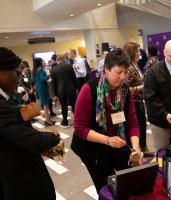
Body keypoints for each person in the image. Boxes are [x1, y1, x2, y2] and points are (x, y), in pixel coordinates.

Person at [0, 47, 60, 200]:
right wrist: (53, 137)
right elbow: (29, 139)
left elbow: (3, 131)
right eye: (17, 73)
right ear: (2, 71)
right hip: (12, 185)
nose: (19, 78)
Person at [70, 48, 142, 194]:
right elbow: (80, 128)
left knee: (126, 184)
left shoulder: (125, 90)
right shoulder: (89, 89)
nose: (123, 77)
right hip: (94, 148)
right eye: (118, 72)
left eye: (125, 72)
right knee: (107, 189)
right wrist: (108, 140)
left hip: (118, 141)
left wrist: (135, 148)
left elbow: (133, 122)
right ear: (106, 69)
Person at [123, 41, 151, 155]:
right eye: (138, 51)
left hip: (139, 101)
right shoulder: (129, 68)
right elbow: (126, 89)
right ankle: (139, 148)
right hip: (133, 102)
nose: (140, 53)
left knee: (142, 124)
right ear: (132, 52)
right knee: (138, 125)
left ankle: (143, 147)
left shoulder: (135, 65)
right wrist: (142, 87)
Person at [51, 54, 78, 128]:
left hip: (60, 90)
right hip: (71, 88)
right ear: (63, 60)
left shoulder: (53, 69)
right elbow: (74, 78)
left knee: (64, 107)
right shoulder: (69, 66)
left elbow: (54, 83)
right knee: (74, 105)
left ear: (57, 60)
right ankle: (77, 120)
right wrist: (77, 88)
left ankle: (65, 122)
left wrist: (56, 93)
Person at [32, 57, 55, 126]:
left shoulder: (35, 70)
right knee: (46, 105)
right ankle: (47, 121)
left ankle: (48, 119)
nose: (43, 62)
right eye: (42, 61)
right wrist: (48, 75)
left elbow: (34, 81)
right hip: (44, 89)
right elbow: (43, 79)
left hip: (40, 88)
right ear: (39, 63)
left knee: (45, 105)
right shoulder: (41, 70)